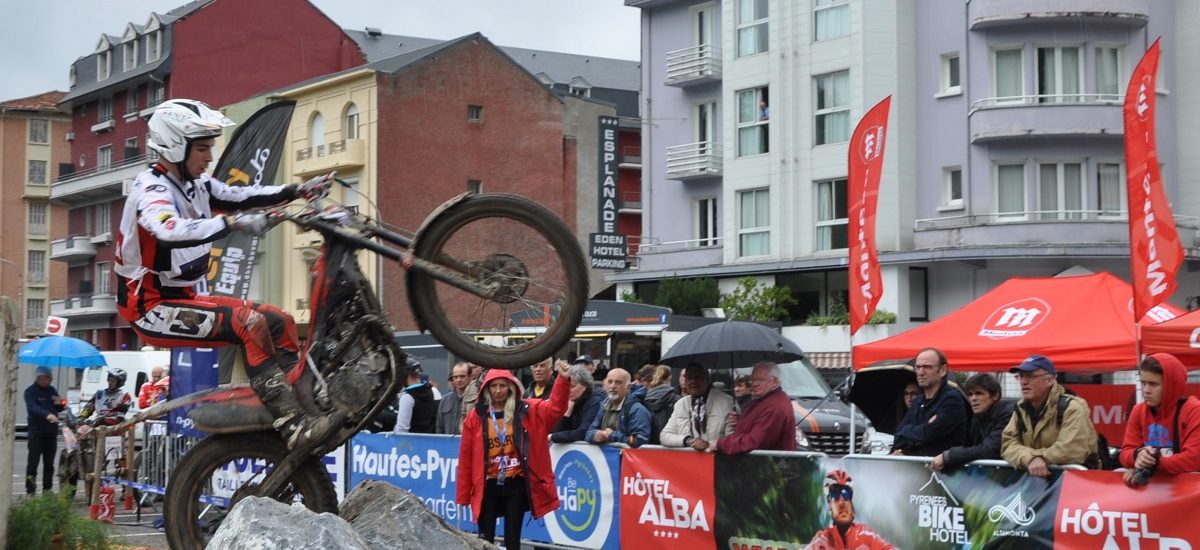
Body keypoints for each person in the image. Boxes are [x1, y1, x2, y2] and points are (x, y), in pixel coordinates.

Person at [114, 98, 338, 450]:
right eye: (202, 148)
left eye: (211, 147)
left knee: (279, 319)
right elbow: (169, 228)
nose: (209, 157)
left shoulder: (197, 186)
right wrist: (230, 224)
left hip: (187, 297)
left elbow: (242, 195)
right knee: (248, 323)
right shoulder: (150, 189)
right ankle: (291, 422)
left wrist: (297, 190)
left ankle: (301, 398)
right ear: (175, 146)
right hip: (151, 308)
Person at [457, 361, 570, 548]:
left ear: (510, 387)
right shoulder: (476, 416)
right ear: (486, 388)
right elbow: (466, 457)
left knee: (512, 539)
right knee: (485, 540)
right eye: (494, 386)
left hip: (515, 484)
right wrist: (462, 496)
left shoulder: (527, 410)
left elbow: (555, 410)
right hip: (487, 485)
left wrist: (563, 381)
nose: (498, 390)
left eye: (502, 385)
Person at [1001, 355, 1100, 477]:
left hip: (1074, 484)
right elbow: (1007, 444)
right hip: (1037, 484)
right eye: (1020, 376)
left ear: (1049, 380)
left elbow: (1070, 451)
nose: (1023, 381)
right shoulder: (1021, 408)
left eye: (1030, 376)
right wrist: (1030, 459)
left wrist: (1035, 458)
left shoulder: (1072, 407)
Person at [1120, 353, 1200, 486]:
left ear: (1171, 385)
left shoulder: (1193, 410)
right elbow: (1125, 452)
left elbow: (1192, 460)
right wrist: (1137, 455)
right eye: (1143, 383)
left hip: (1188, 493)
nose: (1146, 390)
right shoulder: (1138, 410)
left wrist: (1151, 464)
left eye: (1153, 384)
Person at [891, 348, 968, 456]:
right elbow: (898, 435)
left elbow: (928, 434)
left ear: (942, 370)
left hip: (942, 470)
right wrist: (917, 431)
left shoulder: (951, 399)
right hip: (915, 466)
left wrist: (908, 431)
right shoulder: (917, 401)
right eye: (917, 367)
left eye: (927, 367)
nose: (921, 372)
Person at [933, 373, 1015, 470]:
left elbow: (989, 450)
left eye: (978, 393)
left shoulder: (1007, 414)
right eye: (970, 394)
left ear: (995, 395)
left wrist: (949, 456)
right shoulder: (978, 416)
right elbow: (968, 446)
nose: (973, 398)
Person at [716, 362, 796, 454]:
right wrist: (742, 422)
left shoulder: (774, 406)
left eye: (759, 380)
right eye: (752, 380)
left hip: (768, 466)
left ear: (775, 381)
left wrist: (720, 444)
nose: (754, 384)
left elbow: (755, 442)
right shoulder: (766, 400)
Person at [805, 470, 895, 550]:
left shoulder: (865, 535)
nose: (842, 502)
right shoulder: (822, 540)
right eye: (835, 495)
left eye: (846, 494)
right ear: (830, 505)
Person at [661, 363, 735, 451]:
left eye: (697, 377)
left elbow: (733, 439)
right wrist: (688, 441)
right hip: (689, 463)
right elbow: (665, 436)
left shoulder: (727, 402)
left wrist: (709, 444)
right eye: (689, 378)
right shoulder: (681, 404)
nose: (693, 381)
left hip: (717, 462)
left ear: (707, 379)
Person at [586, 368, 652, 447]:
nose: (612, 386)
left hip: (627, 458)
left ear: (628, 387)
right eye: (610, 382)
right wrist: (595, 436)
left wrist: (612, 436)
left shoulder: (638, 410)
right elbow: (589, 432)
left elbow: (640, 441)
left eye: (618, 382)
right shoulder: (603, 405)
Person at [24, 366, 61, 496]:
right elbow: (33, 408)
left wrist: (61, 403)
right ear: (40, 377)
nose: (50, 379)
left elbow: (60, 407)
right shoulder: (30, 391)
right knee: (33, 464)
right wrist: (47, 415)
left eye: (51, 377)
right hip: (36, 434)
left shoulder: (52, 390)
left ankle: (47, 491)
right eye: (48, 377)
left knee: (49, 465)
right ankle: (30, 491)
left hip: (51, 434)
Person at [551, 364, 604, 444]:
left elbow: (582, 432)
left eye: (572, 387)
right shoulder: (569, 401)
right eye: (567, 387)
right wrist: (567, 414)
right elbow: (557, 431)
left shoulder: (595, 402)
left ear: (584, 386)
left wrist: (553, 437)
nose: (568, 390)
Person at [394, 360, 437, 434]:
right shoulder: (431, 391)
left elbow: (402, 428)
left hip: (411, 442)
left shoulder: (407, 397)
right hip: (428, 440)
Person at [641, 365, 679, 445]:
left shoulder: (644, 396)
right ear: (669, 378)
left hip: (650, 443)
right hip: (669, 442)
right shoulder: (675, 399)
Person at [437, 362, 470, 435]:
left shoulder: (476, 399)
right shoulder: (445, 400)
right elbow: (439, 427)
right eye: (456, 377)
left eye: (462, 376)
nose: (459, 380)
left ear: (469, 377)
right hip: (447, 444)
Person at [460, 362, 485, 427]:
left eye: (474, 367)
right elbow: (463, 415)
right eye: (469, 368)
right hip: (472, 433)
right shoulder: (470, 388)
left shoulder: (497, 386)